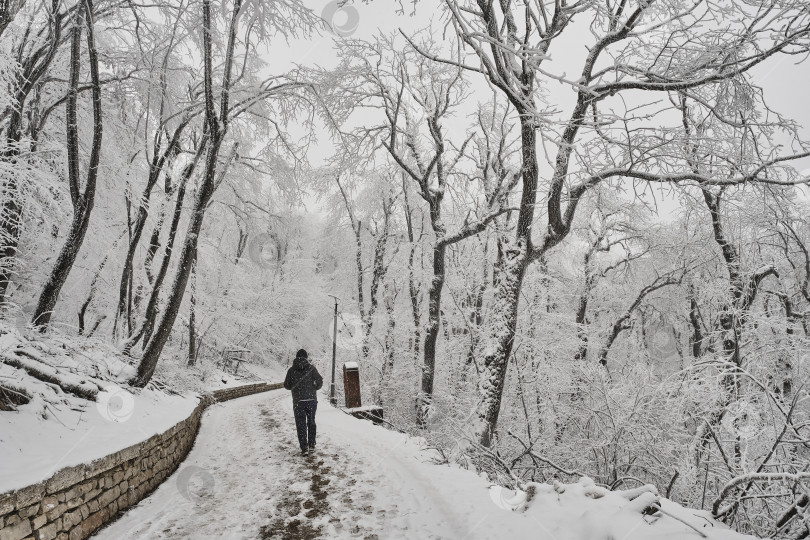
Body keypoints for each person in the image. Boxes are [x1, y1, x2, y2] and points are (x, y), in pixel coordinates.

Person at [283, 349, 324, 456]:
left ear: (296, 357)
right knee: (311, 422)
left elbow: (286, 385)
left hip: (298, 401)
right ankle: (312, 445)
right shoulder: (311, 368)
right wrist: (315, 387)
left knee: (300, 424)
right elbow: (320, 380)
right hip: (311, 400)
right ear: (306, 358)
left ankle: (304, 448)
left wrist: (295, 386)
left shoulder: (291, 370)